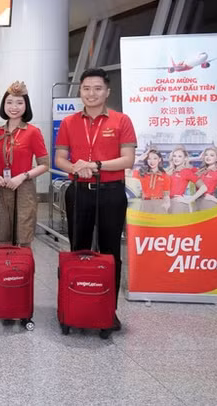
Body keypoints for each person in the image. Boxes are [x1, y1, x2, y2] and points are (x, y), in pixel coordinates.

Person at [55, 68, 136, 331]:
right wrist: (76, 168)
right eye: (86, 88)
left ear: (107, 91)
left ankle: (108, 309)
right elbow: (60, 159)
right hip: (79, 190)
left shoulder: (121, 120)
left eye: (97, 88)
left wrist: (96, 164)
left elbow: (128, 159)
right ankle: (75, 302)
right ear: (80, 91)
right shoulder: (69, 122)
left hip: (111, 192)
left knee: (110, 249)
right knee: (78, 248)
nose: (92, 93)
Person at [0, 81, 49, 246]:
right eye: (9, 102)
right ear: (3, 105)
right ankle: (4, 271)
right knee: (2, 238)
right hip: (0, 190)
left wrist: (22, 177)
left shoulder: (33, 132)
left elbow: (45, 164)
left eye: (19, 102)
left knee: (23, 239)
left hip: (24, 190)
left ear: (26, 106)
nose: (14, 107)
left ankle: (22, 272)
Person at [190, 146, 217, 211]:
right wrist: (199, 157)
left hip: (208, 203)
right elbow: (184, 162)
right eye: (206, 155)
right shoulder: (199, 171)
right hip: (196, 203)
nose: (208, 157)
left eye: (212, 155)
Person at [132, 148, 171, 213]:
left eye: (155, 158)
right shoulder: (141, 173)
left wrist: (167, 205)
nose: (152, 161)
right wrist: (139, 158)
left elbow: (166, 195)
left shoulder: (165, 176)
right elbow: (126, 169)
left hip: (159, 205)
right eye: (149, 158)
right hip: (145, 204)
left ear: (159, 160)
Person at [168, 145, 198, 214]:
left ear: (185, 158)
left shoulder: (187, 171)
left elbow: (203, 187)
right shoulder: (170, 171)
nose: (176, 158)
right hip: (168, 204)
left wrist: (189, 200)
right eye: (174, 156)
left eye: (179, 156)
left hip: (178, 204)